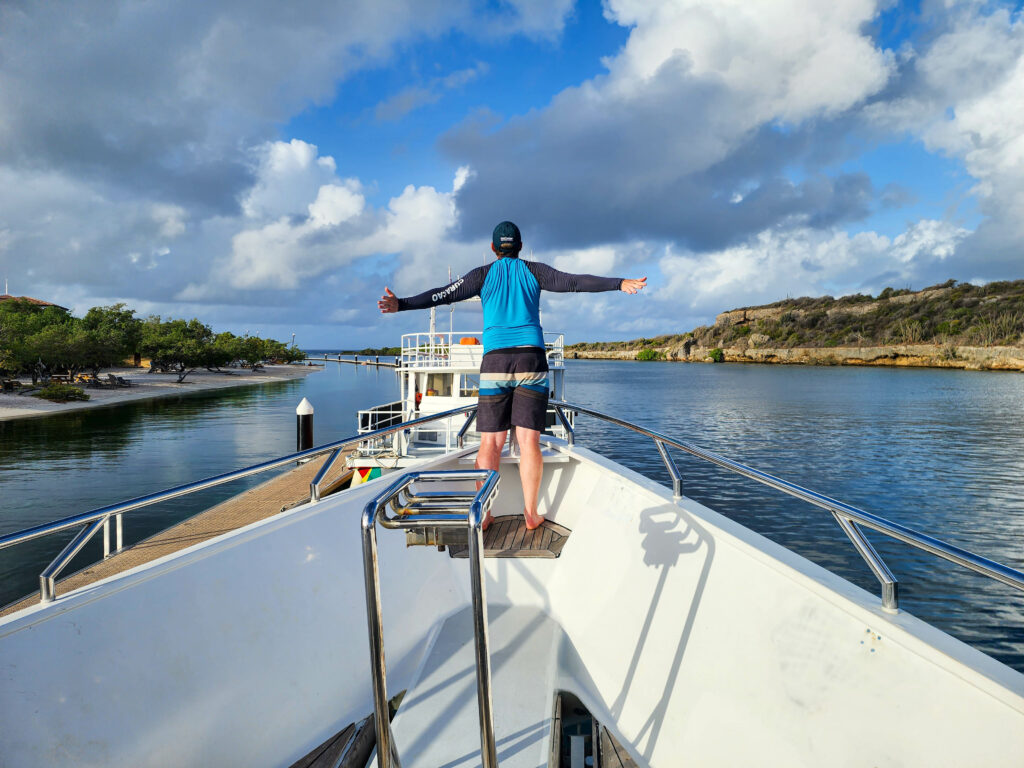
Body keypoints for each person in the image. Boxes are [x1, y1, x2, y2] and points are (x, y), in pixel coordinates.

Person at [378, 221, 646, 530]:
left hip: (496, 361)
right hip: (531, 358)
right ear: (519, 246)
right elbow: (573, 282)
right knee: (529, 442)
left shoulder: (482, 275)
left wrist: (402, 304)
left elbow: (443, 295)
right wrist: (619, 282)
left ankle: (486, 514)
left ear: (493, 249)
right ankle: (531, 514)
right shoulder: (535, 271)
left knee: (490, 444)